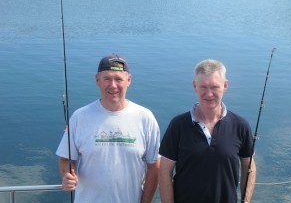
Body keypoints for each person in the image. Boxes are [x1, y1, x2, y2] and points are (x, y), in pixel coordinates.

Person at [56, 54, 160, 203]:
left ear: (128, 80)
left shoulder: (145, 118)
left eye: (118, 79)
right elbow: (65, 158)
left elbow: (154, 166)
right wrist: (67, 175)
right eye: (107, 78)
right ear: (97, 80)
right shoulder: (80, 117)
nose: (113, 85)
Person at [159, 59, 256, 203]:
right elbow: (164, 171)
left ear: (225, 86)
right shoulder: (178, 125)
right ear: (194, 86)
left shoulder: (240, 125)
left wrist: (246, 200)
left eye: (215, 87)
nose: (209, 94)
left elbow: (249, 167)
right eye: (203, 87)